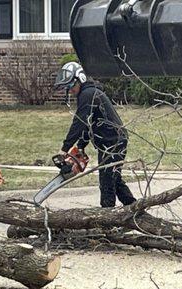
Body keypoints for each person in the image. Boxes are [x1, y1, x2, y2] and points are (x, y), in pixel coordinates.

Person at [54, 62, 136, 208]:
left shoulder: (88, 94)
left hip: (113, 142)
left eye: (71, 86)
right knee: (114, 179)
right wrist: (80, 146)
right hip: (110, 142)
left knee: (106, 181)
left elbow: (78, 122)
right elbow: (88, 123)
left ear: (81, 79)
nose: (71, 90)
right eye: (68, 88)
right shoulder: (89, 94)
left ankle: (107, 221)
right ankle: (134, 209)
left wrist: (64, 149)